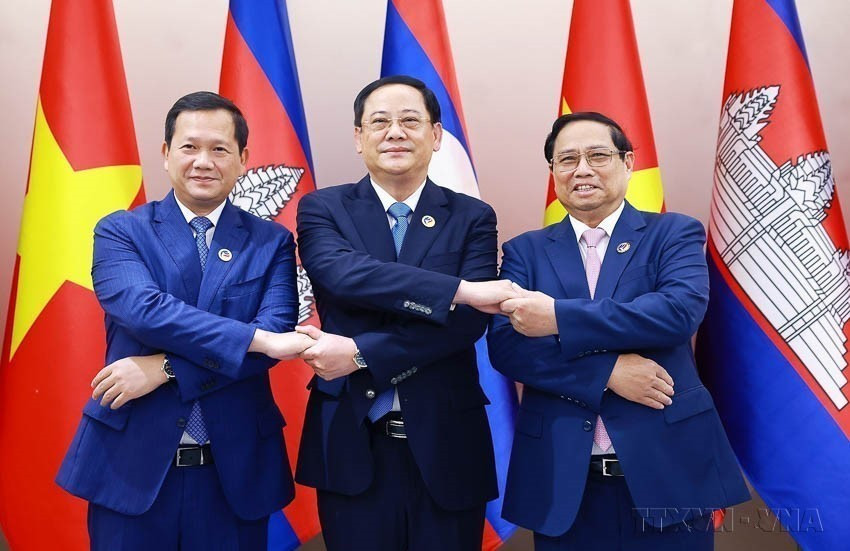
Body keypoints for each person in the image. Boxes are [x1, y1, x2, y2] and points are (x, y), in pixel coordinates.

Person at [56, 91, 313, 549]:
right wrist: (253, 338)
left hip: (232, 472)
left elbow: (271, 341)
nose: (203, 161)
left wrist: (167, 368)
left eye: (219, 149)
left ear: (243, 159)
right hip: (130, 468)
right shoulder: (120, 231)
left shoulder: (272, 241)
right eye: (189, 147)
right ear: (166, 153)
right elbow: (145, 311)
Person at [488, 112, 750, 550]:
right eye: (566, 159)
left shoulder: (674, 233)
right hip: (562, 480)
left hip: (670, 473)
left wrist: (557, 318)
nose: (582, 169)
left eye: (598, 155)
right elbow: (509, 348)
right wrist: (606, 374)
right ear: (553, 172)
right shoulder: (525, 252)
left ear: (628, 162)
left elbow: (676, 312)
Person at [293, 75, 516, 551]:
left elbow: (466, 323)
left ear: (435, 136)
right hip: (353, 439)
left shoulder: (472, 216)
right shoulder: (323, 208)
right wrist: (459, 289)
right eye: (380, 121)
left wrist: (360, 353)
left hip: (447, 441)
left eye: (410, 120)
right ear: (359, 138)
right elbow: (343, 277)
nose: (395, 131)